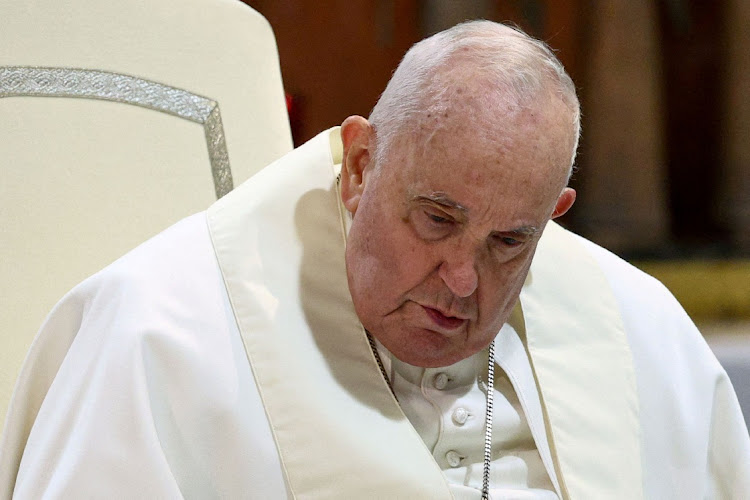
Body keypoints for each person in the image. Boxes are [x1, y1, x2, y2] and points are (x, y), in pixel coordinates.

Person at [1, 20, 749, 500]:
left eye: (509, 243)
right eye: (436, 220)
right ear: (360, 165)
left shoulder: (641, 330)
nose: (463, 283)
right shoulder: (161, 335)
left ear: (555, 215)